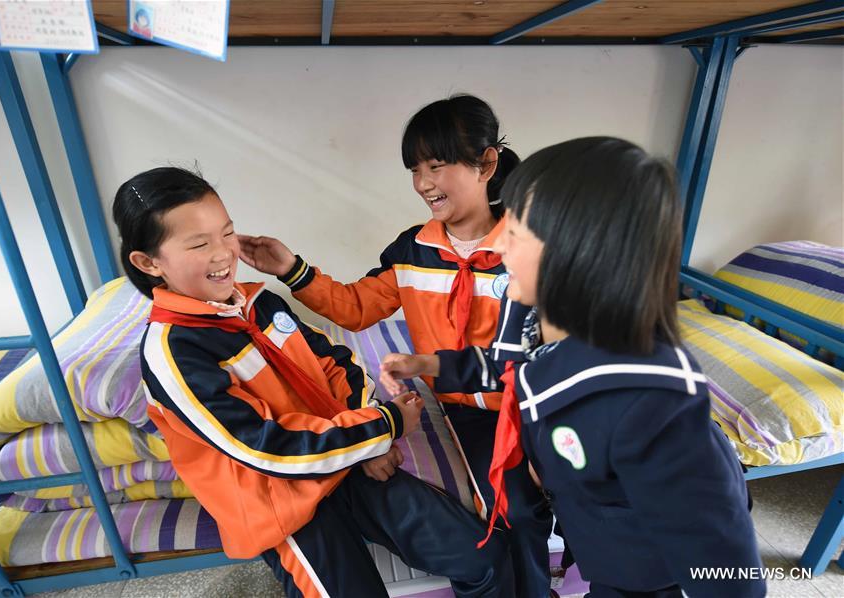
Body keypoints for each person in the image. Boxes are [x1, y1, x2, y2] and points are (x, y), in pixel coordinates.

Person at [380, 137, 766, 598]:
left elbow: (731, 573)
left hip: (646, 575)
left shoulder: (651, 408)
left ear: (580, 255)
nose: (498, 239)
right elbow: (504, 366)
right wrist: (427, 364)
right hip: (600, 541)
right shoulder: (528, 315)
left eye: (517, 230)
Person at [114, 166, 514, 597]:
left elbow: (337, 362)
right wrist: (385, 427)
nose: (222, 254)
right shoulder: (174, 351)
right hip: (281, 503)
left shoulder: (259, 302)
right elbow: (262, 447)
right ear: (148, 262)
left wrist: (368, 442)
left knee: (484, 556)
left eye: (227, 234)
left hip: (346, 462)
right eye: (199, 244)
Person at [239, 94, 555, 597]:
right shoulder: (412, 251)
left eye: (438, 164)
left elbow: (557, 345)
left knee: (573, 493)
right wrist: (291, 269)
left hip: (535, 403)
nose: (424, 183)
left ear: (486, 163)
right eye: (415, 169)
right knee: (511, 507)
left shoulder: (531, 244)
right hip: (468, 410)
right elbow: (355, 308)